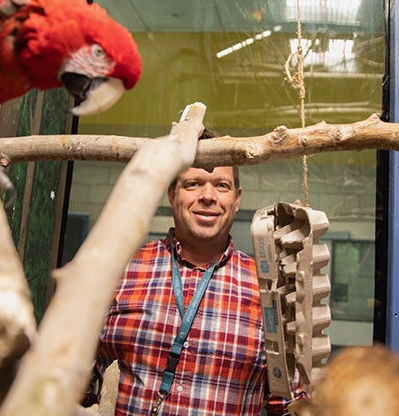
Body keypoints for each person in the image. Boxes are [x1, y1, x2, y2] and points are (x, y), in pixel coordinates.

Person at [90, 131, 302, 415]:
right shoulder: (119, 271)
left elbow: (288, 405)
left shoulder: (268, 289)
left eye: (221, 185)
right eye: (193, 183)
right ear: (171, 193)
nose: (208, 196)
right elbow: (71, 380)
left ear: (236, 199)